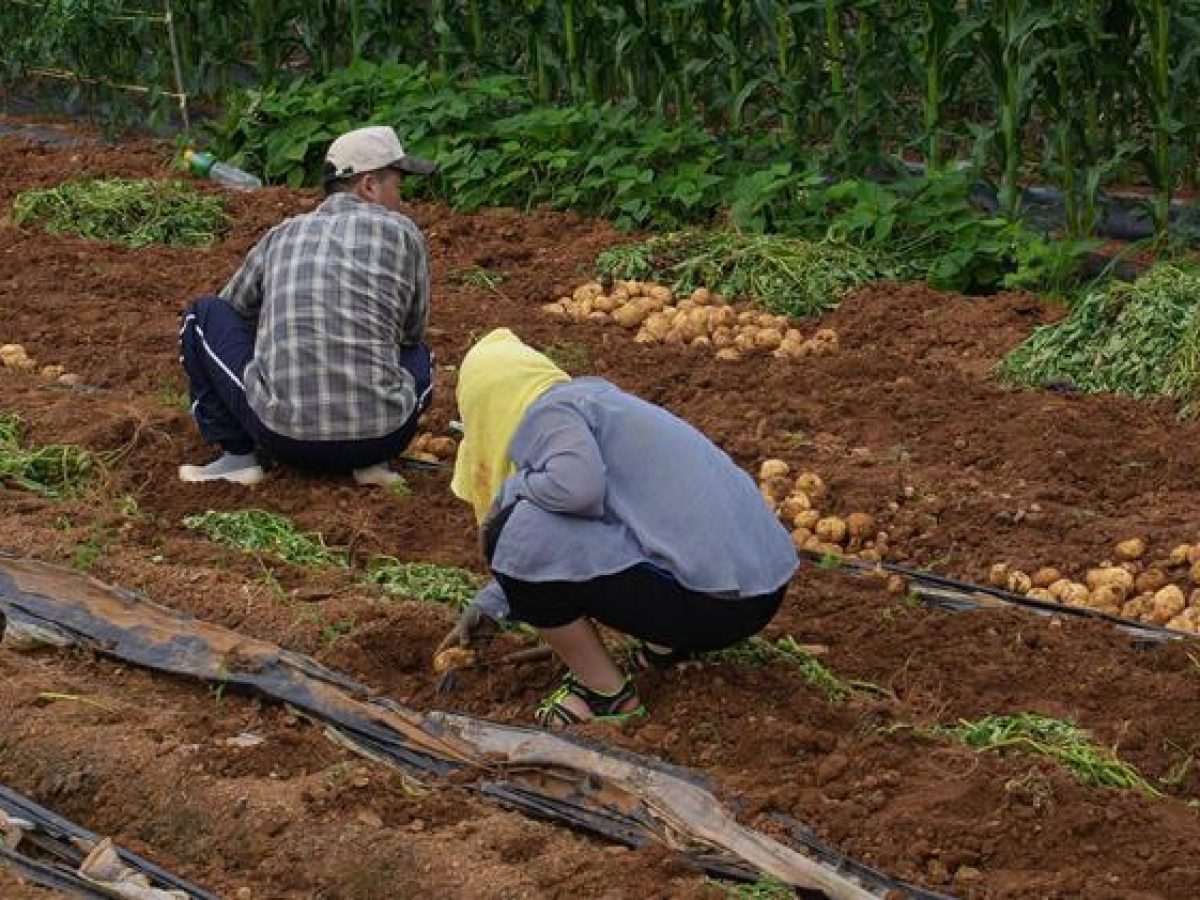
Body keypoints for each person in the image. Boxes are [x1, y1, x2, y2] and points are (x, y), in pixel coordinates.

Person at [438, 329, 799, 728]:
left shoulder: (547, 413)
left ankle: (603, 695)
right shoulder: (597, 404)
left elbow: (577, 492)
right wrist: (495, 600)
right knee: (541, 521)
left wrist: (511, 491)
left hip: (712, 606)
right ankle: (667, 646)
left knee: (513, 529)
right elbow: (596, 519)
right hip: (759, 592)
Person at [177, 125, 437, 487]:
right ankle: (372, 464)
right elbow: (411, 333)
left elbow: (232, 308)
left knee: (202, 315)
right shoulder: (404, 232)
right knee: (420, 353)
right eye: (398, 185)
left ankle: (238, 457)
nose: (402, 199)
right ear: (369, 186)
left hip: (284, 438)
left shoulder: (282, 234)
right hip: (384, 436)